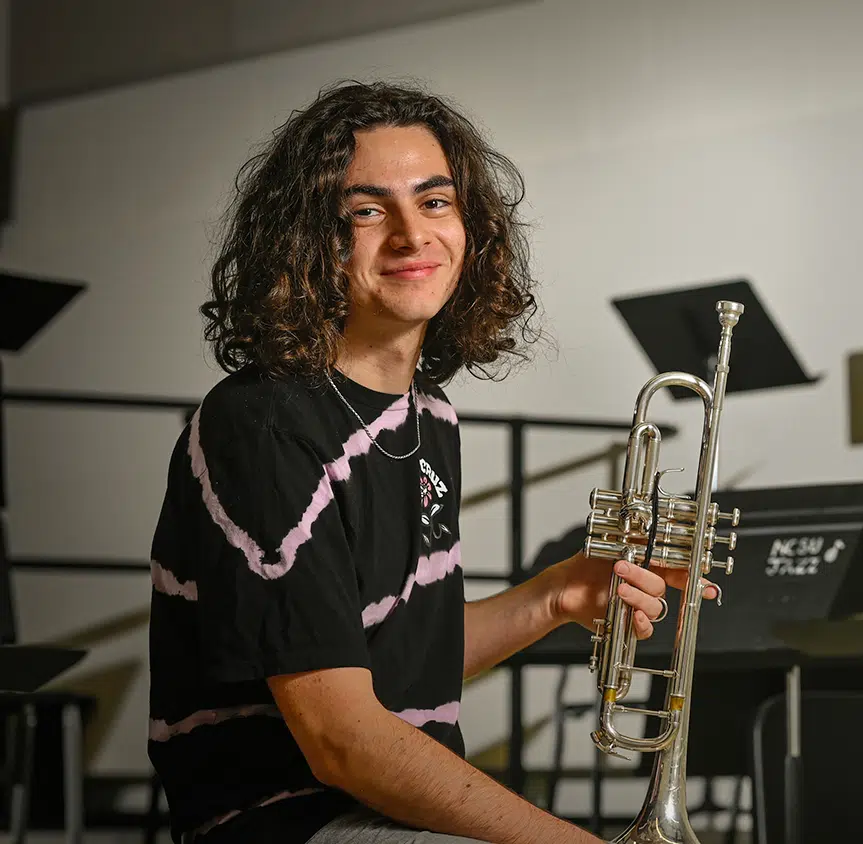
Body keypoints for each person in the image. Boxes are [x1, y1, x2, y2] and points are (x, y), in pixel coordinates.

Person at [146, 80, 715, 844]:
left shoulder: (428, 413)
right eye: (367, 210)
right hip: (286, 822)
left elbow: (394, 661)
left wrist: (555, 596)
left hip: (392, 818)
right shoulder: (263, 422)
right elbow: (343, 741)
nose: (414, 235)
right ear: (309, 240)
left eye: (436, 202)